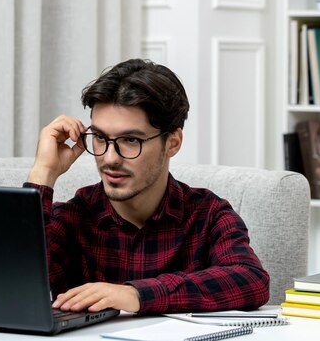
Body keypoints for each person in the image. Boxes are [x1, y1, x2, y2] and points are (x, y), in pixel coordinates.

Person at [25, 59, 269, 315]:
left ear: (173, 143)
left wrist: (136, 294)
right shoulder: (72, 218)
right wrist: (43, 173)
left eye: (131, 140)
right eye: (99, 138)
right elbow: (10, 281)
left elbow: (250, 280)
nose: (109, 158)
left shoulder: (207, 215)